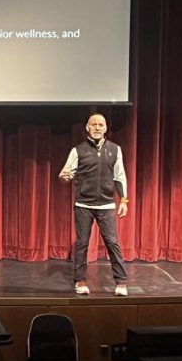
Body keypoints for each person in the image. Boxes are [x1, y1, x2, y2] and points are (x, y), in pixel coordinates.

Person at [59, 112, 128, 295]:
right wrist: (65, 177)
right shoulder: (78, 150)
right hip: (84, 205)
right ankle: (80, 281)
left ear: (106, 128)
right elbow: (67, 173)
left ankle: (121, 282)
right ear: (87, 128)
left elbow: (119, 176)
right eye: (94, 124)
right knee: (82, 243)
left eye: (101, 125)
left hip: (106, 205)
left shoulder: (115, 149)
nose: (97, 127)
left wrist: (124, 200)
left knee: (112, 242)